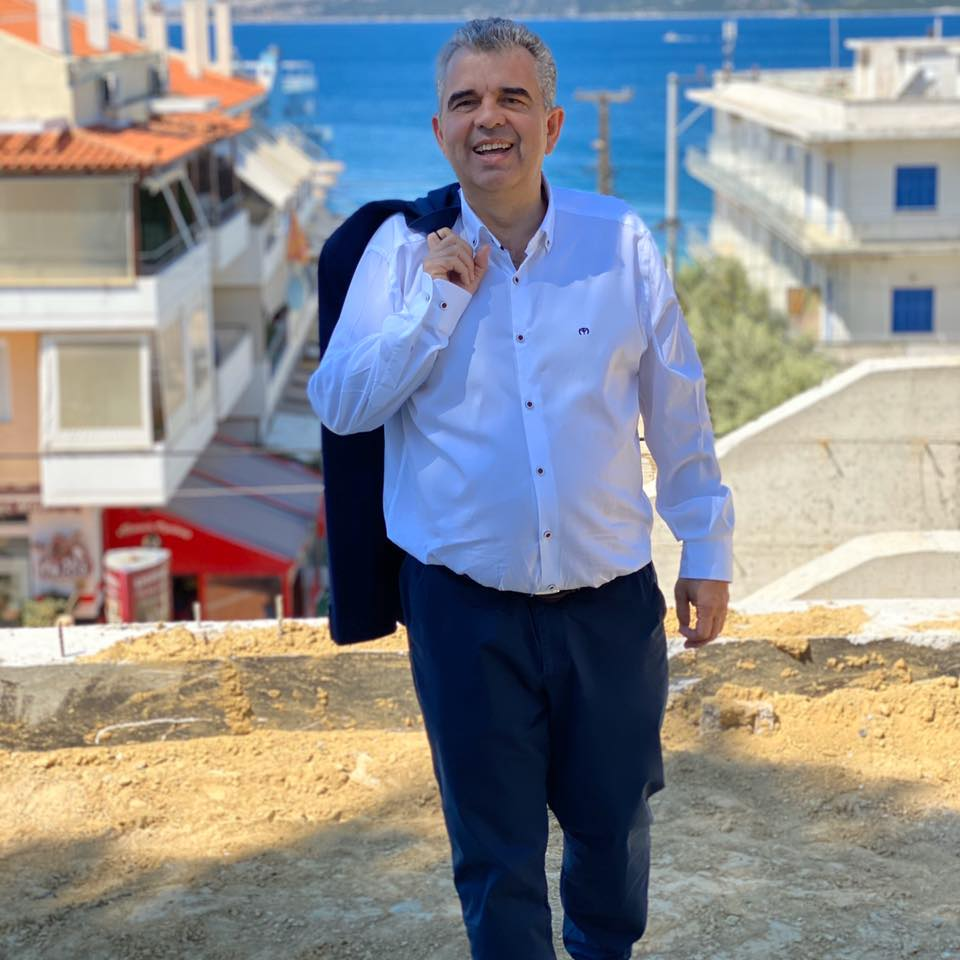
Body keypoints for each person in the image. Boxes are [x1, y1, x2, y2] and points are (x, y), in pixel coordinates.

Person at [309, 17, 734, 960]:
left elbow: (677, 404)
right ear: (440, 130)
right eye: (465, 102)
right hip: (463, 611)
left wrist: (706, 545)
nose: (488, 118)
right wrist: (434, 306)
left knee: (615, 827)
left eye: (512, 98)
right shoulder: (399, 254)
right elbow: (340, 404)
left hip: (610, 604)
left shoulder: (619, 241)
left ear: (552, 122)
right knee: (494, 853)